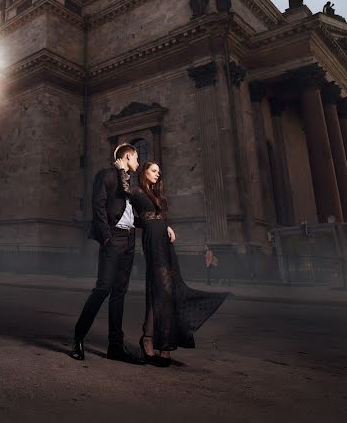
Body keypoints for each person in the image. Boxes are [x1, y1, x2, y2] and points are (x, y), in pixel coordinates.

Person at [127, 161, 228, 366]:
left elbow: (162, 217)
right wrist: (146, 223)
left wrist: (168, 226)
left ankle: (162, 344)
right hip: (152, 241)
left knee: (167, 291)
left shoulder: (158, 195)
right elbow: (126, 215)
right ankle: (150, 340)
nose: (158, 174)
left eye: (159, 172)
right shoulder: (135, 192)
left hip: (165, 242)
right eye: (154, 171)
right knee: (161, 291)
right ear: (144, 171)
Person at [69, 143, 144, 365]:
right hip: (113, 238)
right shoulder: (107, 175)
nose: (138, 163)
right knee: (103, 288)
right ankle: (77, 339)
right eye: (136, 158)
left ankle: (115, 347)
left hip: (129, 240)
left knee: (119, 293)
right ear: (128, 156)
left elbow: (132, 210)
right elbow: (98, 206)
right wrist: (107, 237)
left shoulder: (129, 181)